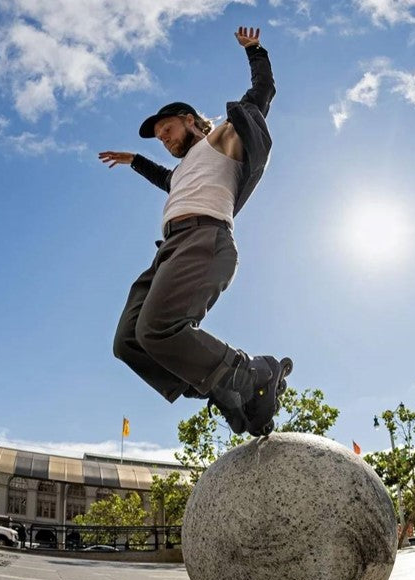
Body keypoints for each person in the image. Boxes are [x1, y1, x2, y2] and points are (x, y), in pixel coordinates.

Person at [98, 26, 290, 436]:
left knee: (157, 329)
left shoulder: (222, 139)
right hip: (171, 248)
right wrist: (136, 161)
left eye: (166, 130)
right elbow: (168, 180)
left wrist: (255, 52)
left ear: (189, 120)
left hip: (206, 238)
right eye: (159, 139)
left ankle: (252, 372)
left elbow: (262, 93)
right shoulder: (185, 169)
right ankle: (226, 390)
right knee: (129, 341)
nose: (164, 140)